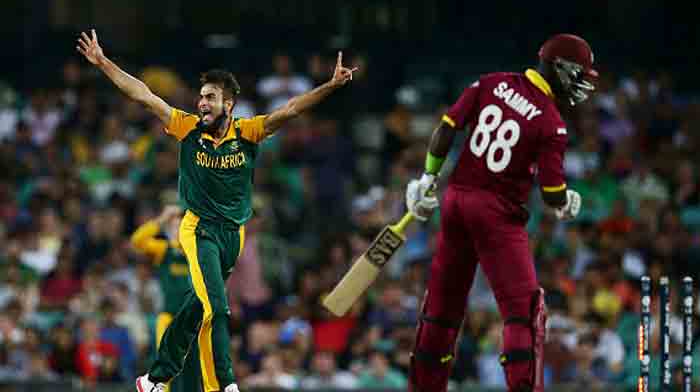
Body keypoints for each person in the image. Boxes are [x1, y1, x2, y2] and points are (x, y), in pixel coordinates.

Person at [76, 29, 357, 392]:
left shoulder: (248, 131)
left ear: (229, 104)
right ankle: (224, 385)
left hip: (233, 234)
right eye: (201, 97)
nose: (202, 103)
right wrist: (103, 63)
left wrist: (330, 86)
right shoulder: (187, 128)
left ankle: (155, 378)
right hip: (199, 229)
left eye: (210, 97)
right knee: (218, 308)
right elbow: (143, 94)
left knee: (198, 306)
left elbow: (291, 109)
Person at [404, 34, 595, 391]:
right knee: (523, 313)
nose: (582, 84)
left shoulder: (490, 83)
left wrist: (428, 177)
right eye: (580, 74)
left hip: (456, 202)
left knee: (442, 307)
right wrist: (566, 203)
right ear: (561, 68)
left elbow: (447, 128)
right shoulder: (551, 122)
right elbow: (552, 193)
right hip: (497, 214)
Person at [130, 205, 201, 392]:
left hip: (194, 320)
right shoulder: (164, 250)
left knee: (194, 367)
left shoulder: (196, 250)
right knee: (164, 363)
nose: (177, 230)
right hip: (168, 316)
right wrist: (162, 219)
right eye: (173, 227)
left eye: (181, 226)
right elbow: (137, 241)